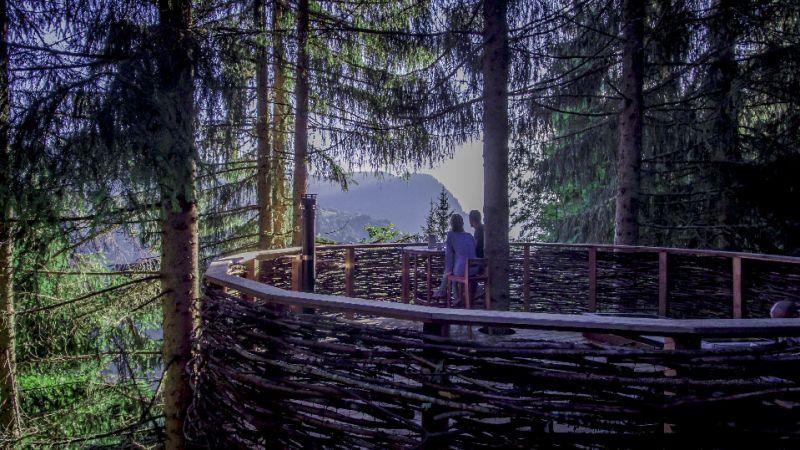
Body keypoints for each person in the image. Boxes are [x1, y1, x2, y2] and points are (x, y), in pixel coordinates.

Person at [433, 214, 477, 304]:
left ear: (451, 224)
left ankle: (443, 292)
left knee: (451, 273)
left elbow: (448, 255)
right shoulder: (469, 235)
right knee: (453, 271)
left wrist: (448, 270)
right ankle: (453, 297)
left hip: (463, 269)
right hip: (474, 268)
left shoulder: (451, 235)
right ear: (462, 223)